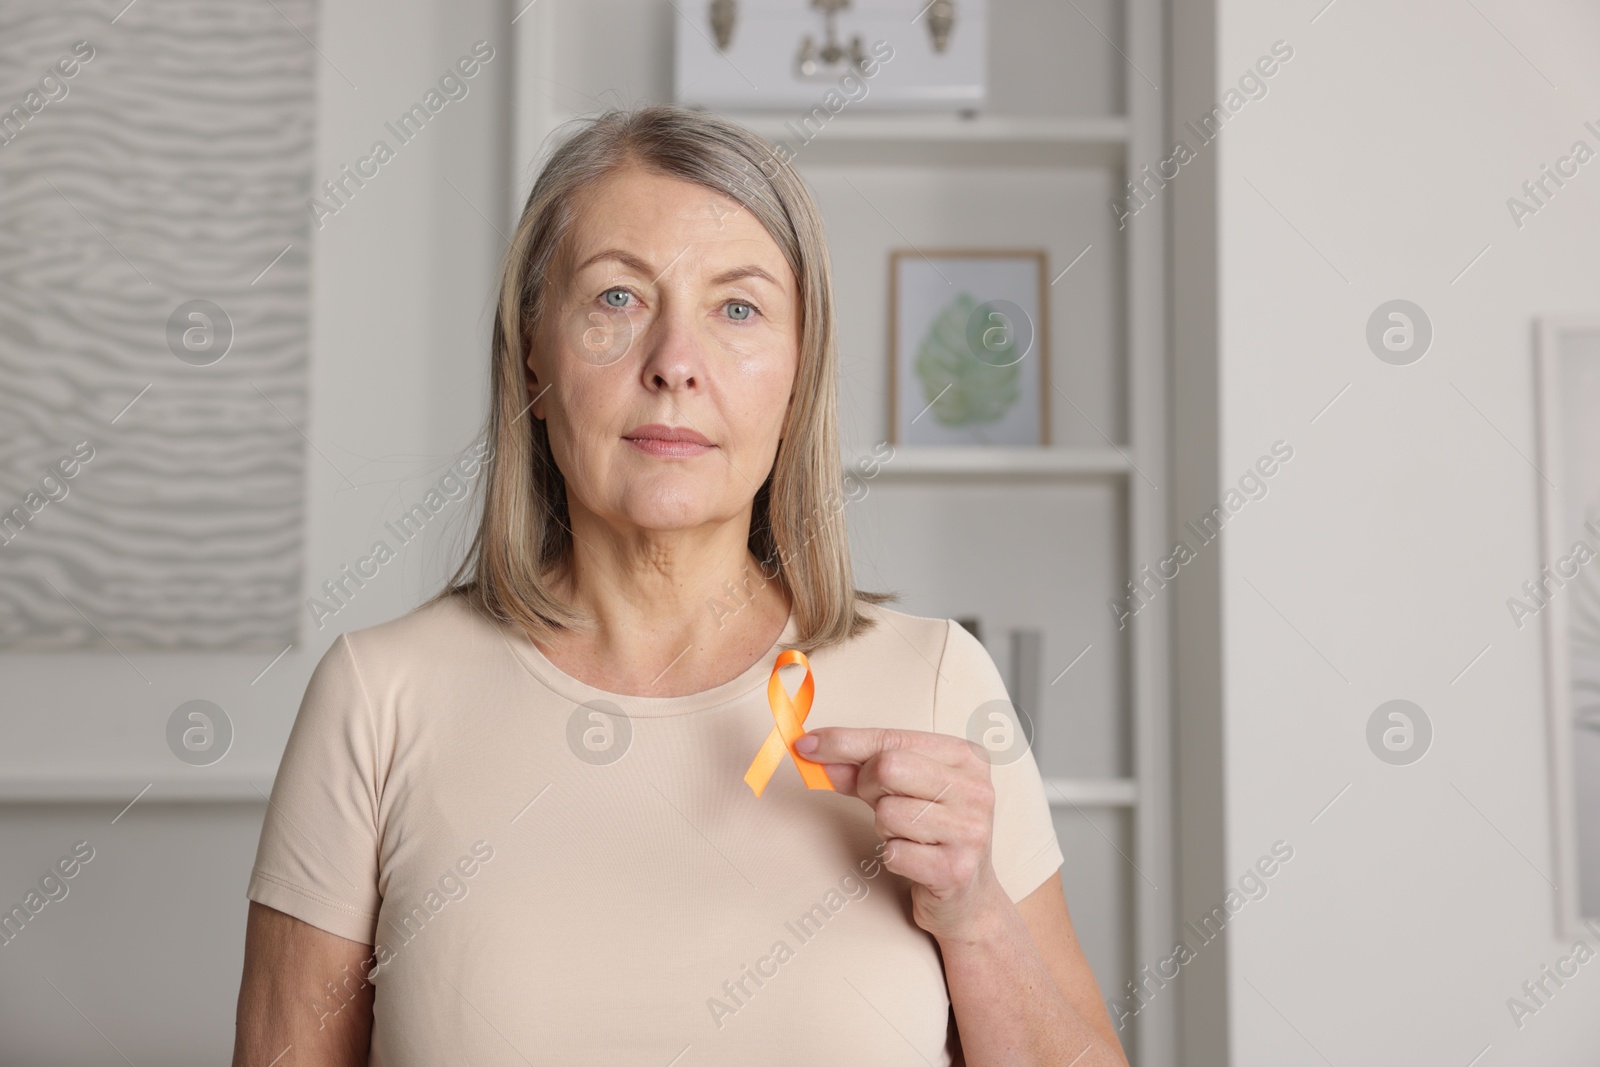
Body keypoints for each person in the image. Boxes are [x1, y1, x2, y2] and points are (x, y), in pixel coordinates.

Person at [231, 103, 1127, 1067]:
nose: (674, 366)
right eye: (616, 299)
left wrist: (978, 917)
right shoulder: (378, 697)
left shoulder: (941, 680)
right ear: (534, 342)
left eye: (737, 308)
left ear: (797, 369)